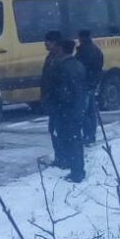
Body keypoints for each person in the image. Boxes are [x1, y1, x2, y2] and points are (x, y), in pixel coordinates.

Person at [49, 40, 87, 183]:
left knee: (69, 140)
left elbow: (62, 91)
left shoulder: (61, 66)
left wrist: (58, 105)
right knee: (76, 138)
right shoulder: (78, 64)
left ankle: (75, 171)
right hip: (77, 108)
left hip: (65, 110)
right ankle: (78, 169)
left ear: (62, 49)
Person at [40, 30, 65, 167]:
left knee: (59, 131)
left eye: (48, 42)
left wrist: (55, 99)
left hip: (58, 104)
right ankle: (60, 157)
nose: (45, 44)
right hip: (53, 102)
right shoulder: (52, 57)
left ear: (55, 43)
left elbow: (58, 83)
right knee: (54, 130)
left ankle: (62, 159)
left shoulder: (59, 59)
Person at [75, 30, 104, 145]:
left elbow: (81, 68)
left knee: (85, 111)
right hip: (91, 84)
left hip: (84, 84)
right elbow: (98, 67)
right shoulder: (95, 50)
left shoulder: (84, 51)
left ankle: (87, 135)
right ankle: (90, 135)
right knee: (90, 112)